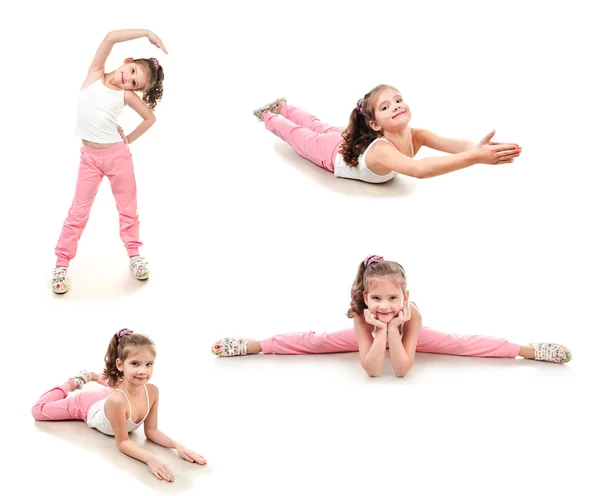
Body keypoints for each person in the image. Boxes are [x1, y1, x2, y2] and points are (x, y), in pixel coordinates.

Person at [212, 255, 571, 377]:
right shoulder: (363, 312)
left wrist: (396, 330)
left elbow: (401, 369)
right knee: (316, 341)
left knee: (462, 343)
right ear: (366, 297)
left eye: (392, 298)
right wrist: (378, 330)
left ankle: (529, 350)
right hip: (372, 337)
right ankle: (253, 345)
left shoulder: (409, 313)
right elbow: (371, 369)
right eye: (377, 298)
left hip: (406, 334)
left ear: (406, 297)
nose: (384, 305)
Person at [52, 29, 167, 294]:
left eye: (135, 83)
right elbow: (110, 38)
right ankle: (61, 264)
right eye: (133, 72)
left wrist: (128, 140)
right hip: (89, 160)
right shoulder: (94, 75)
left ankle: (135, 256)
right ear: (127, 62)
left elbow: (150, 119)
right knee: (78, 212)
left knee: (128, 209)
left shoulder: (124, 96)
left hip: (117, 159)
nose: (129, 80)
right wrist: (147, 33)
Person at [32, 329, 206, 482]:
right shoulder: (117, 401)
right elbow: (123, 442)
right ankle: (74, 381)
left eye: (148, 364)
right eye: (135, 364)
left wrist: (178, 446)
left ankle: (93, 375)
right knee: (38, 410)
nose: (142, 371)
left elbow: (152, 431)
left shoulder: (152, 391)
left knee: (119, 384)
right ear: (120, 364)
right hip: (89, 405)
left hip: (113, 395)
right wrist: (150, 458)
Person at [253, 85, 521, 184]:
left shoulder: (418, 135)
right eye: (385, 107)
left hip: (348, 140)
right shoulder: (381, 149)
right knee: (299, 133)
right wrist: (474, 158)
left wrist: (478, 147)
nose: (395, 106)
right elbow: (418, 170)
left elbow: (454, 144)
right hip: (332, 154)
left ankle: (284, 105)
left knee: (317, 123)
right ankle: (269, 114)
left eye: (398, 100)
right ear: (375, 125)